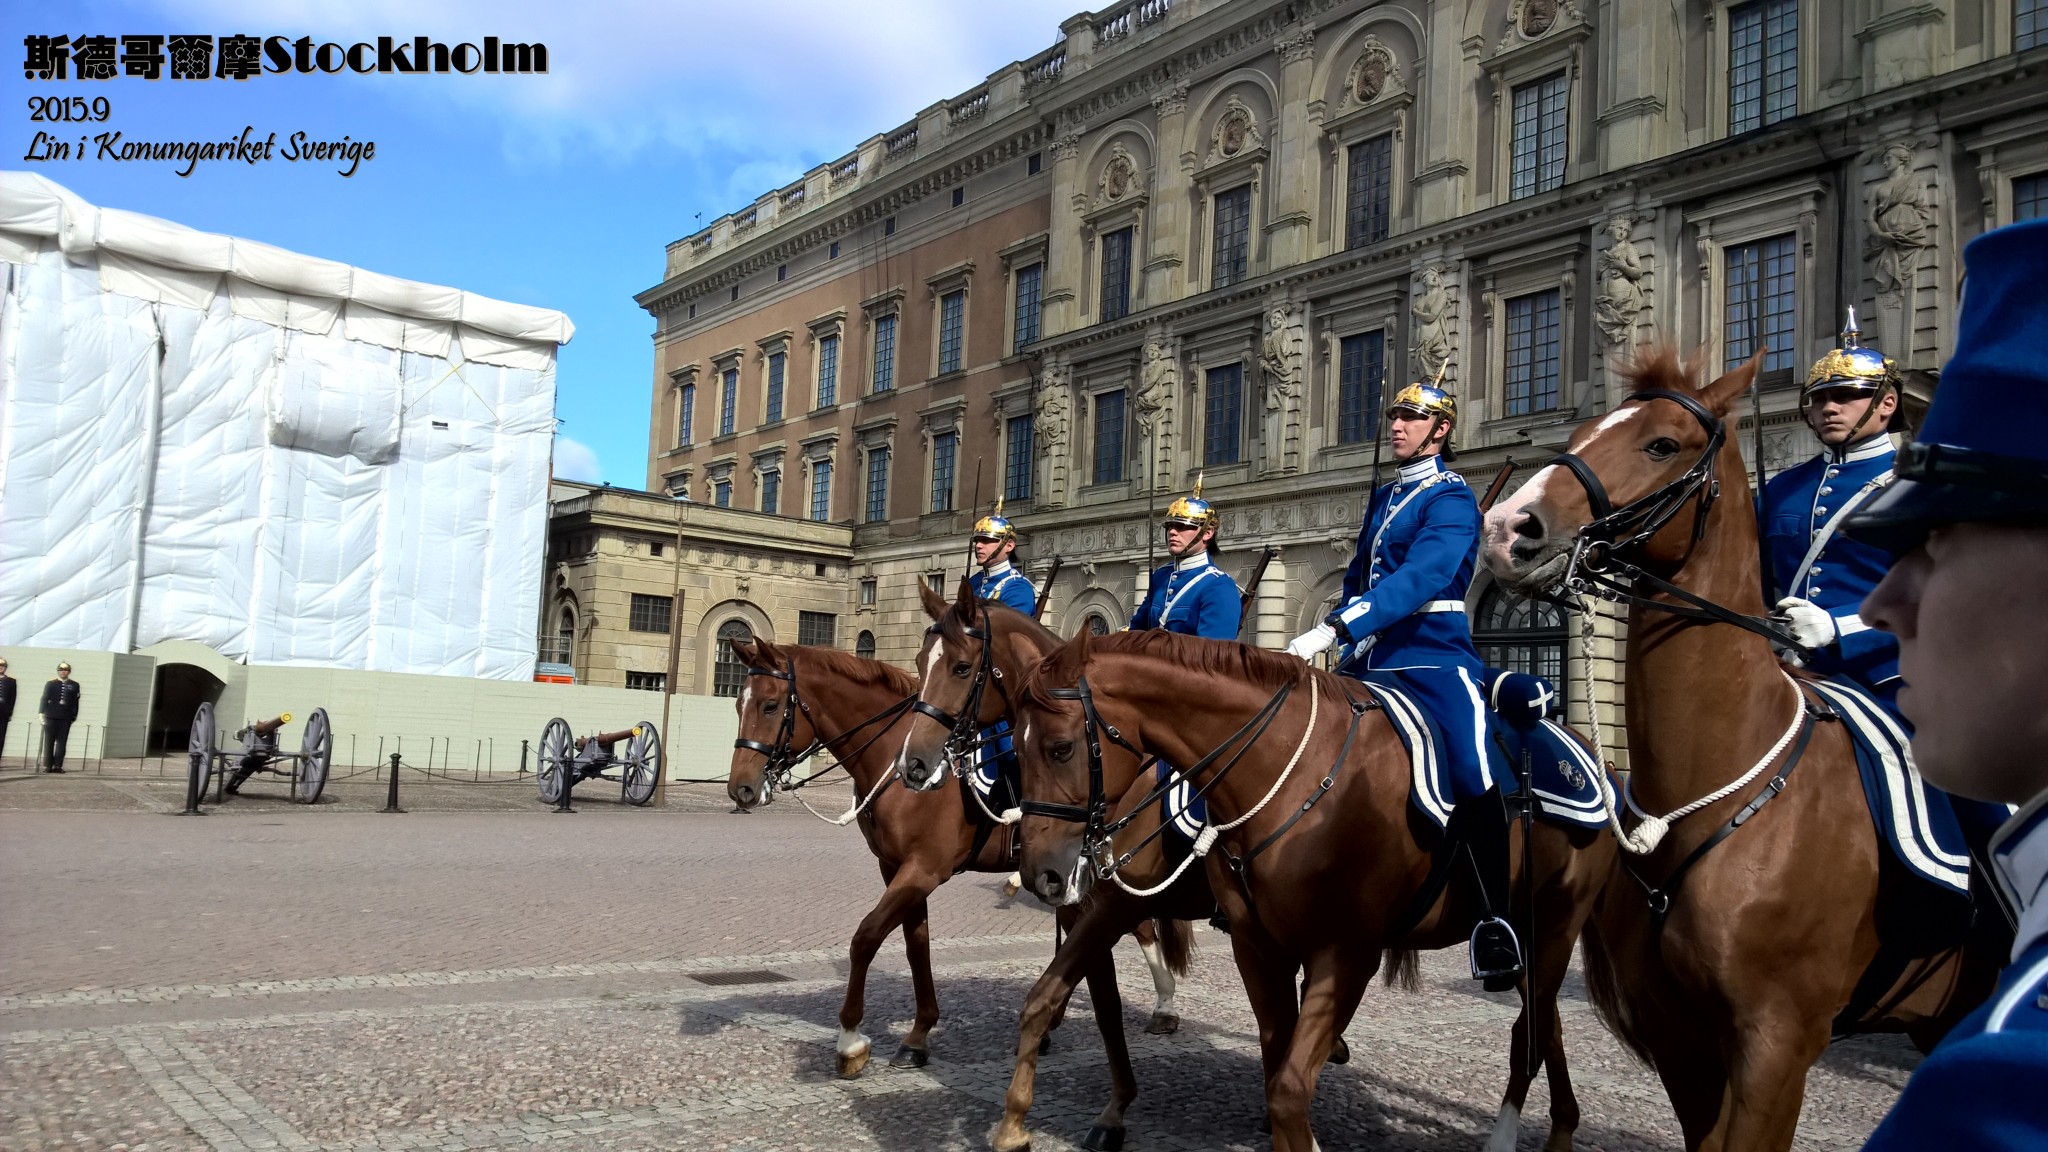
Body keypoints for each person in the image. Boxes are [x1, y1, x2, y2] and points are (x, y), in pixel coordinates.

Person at [1847, 217, 2048, 1149]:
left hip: (1856, 668)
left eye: (1936, 541)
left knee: (1475, 755)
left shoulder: (2004, 1092)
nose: (1893, 595)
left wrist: (1840, 629)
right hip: (1788, 656)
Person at [1284, 381, 1521, 989]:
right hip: (1369, 661)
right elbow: (1363, 575)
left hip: (1432, 659)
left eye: (1411, 418)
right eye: (1393, 415)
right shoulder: (1388, 495)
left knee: (1473, 768)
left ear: (1440, 429)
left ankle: (1496, 920)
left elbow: (1422, 578)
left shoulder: (1449, 498)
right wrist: (1347, 630)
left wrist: (1338, 626)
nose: (1396, 426)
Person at [1762, 308, 1906, 708]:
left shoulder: (1918, 486)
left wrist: (1838, 627)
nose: (1829, 407)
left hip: (1889, 679)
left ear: (1887, 402)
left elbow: (1941, 595)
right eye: (1818, 398)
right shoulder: (1784, 487)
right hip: (1789, 678)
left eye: (1845, 395)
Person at [1130, 475, 1242, 637]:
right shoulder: (1161, 576)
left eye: (1182, 526)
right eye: (1170, 526)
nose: (1172, 532)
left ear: (1207, 532)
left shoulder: (1218, 586)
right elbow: (1136, 630)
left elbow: (1213, 655)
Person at [969, 500, 1036, 616]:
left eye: (986, 540)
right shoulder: (974, 581)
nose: (979, 545)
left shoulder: (1018, 588)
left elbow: (1006, 631)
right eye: (977, 540)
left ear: (1009, 546)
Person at [38, 661, 80, 774]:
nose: (63, 672)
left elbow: (75, 702)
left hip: (65, 717)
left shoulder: (74, 685)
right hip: (51, 715)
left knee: (62, 742)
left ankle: (58, 765)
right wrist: (41, 713)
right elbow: (44, 698)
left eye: (65, 670)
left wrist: (74, 715)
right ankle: (48, 765)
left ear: (69, 672)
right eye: (61, 670)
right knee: (49, 741)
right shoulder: (51, 683)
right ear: (58, 671)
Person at [0, 657, 14, 767]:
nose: (1, 668)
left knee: (1, 737)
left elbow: (12, 698)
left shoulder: (11, 681)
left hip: (3, 713)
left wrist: (10, 712)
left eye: (2, 666)